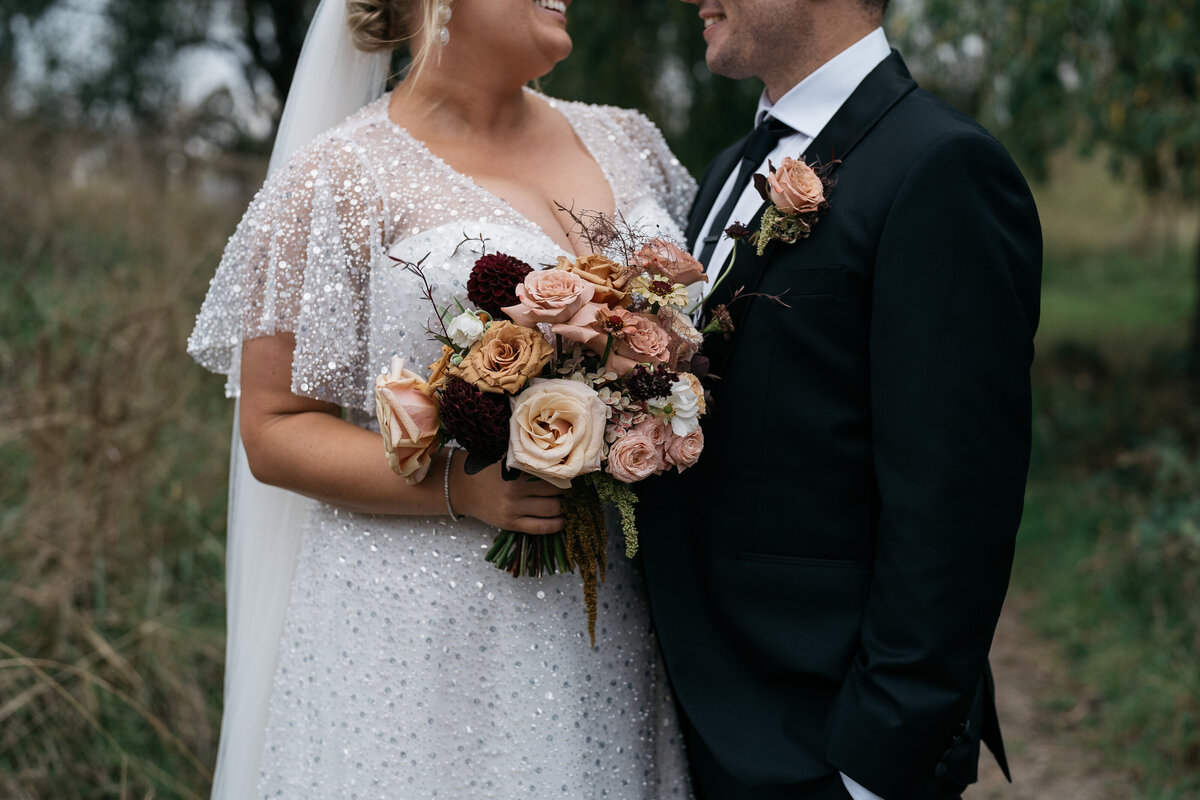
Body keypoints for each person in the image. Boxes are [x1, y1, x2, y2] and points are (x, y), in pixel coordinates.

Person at [188, 0, 696, 796]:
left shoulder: (629, 142)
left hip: (608, 624)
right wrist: (458, 486)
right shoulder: (337, 179)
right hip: (416, 642)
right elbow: (274, 429)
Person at [637, 1, 1042, 799]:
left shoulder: (941, 166)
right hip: (708, 716)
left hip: (824, 739)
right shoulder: (726, 170)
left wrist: (876, 766)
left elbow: (957, 503)